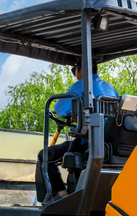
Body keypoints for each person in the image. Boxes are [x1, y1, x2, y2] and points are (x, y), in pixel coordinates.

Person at [36, 60, 118, 203]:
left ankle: (62, 197)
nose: (75, 75)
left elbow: (59, 109)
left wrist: (70, 114)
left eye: (75, 71)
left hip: (89, 142)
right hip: (110, 143)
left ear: (80, 71)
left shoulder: (81, 85)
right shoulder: (109, 88)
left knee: (45, 155)